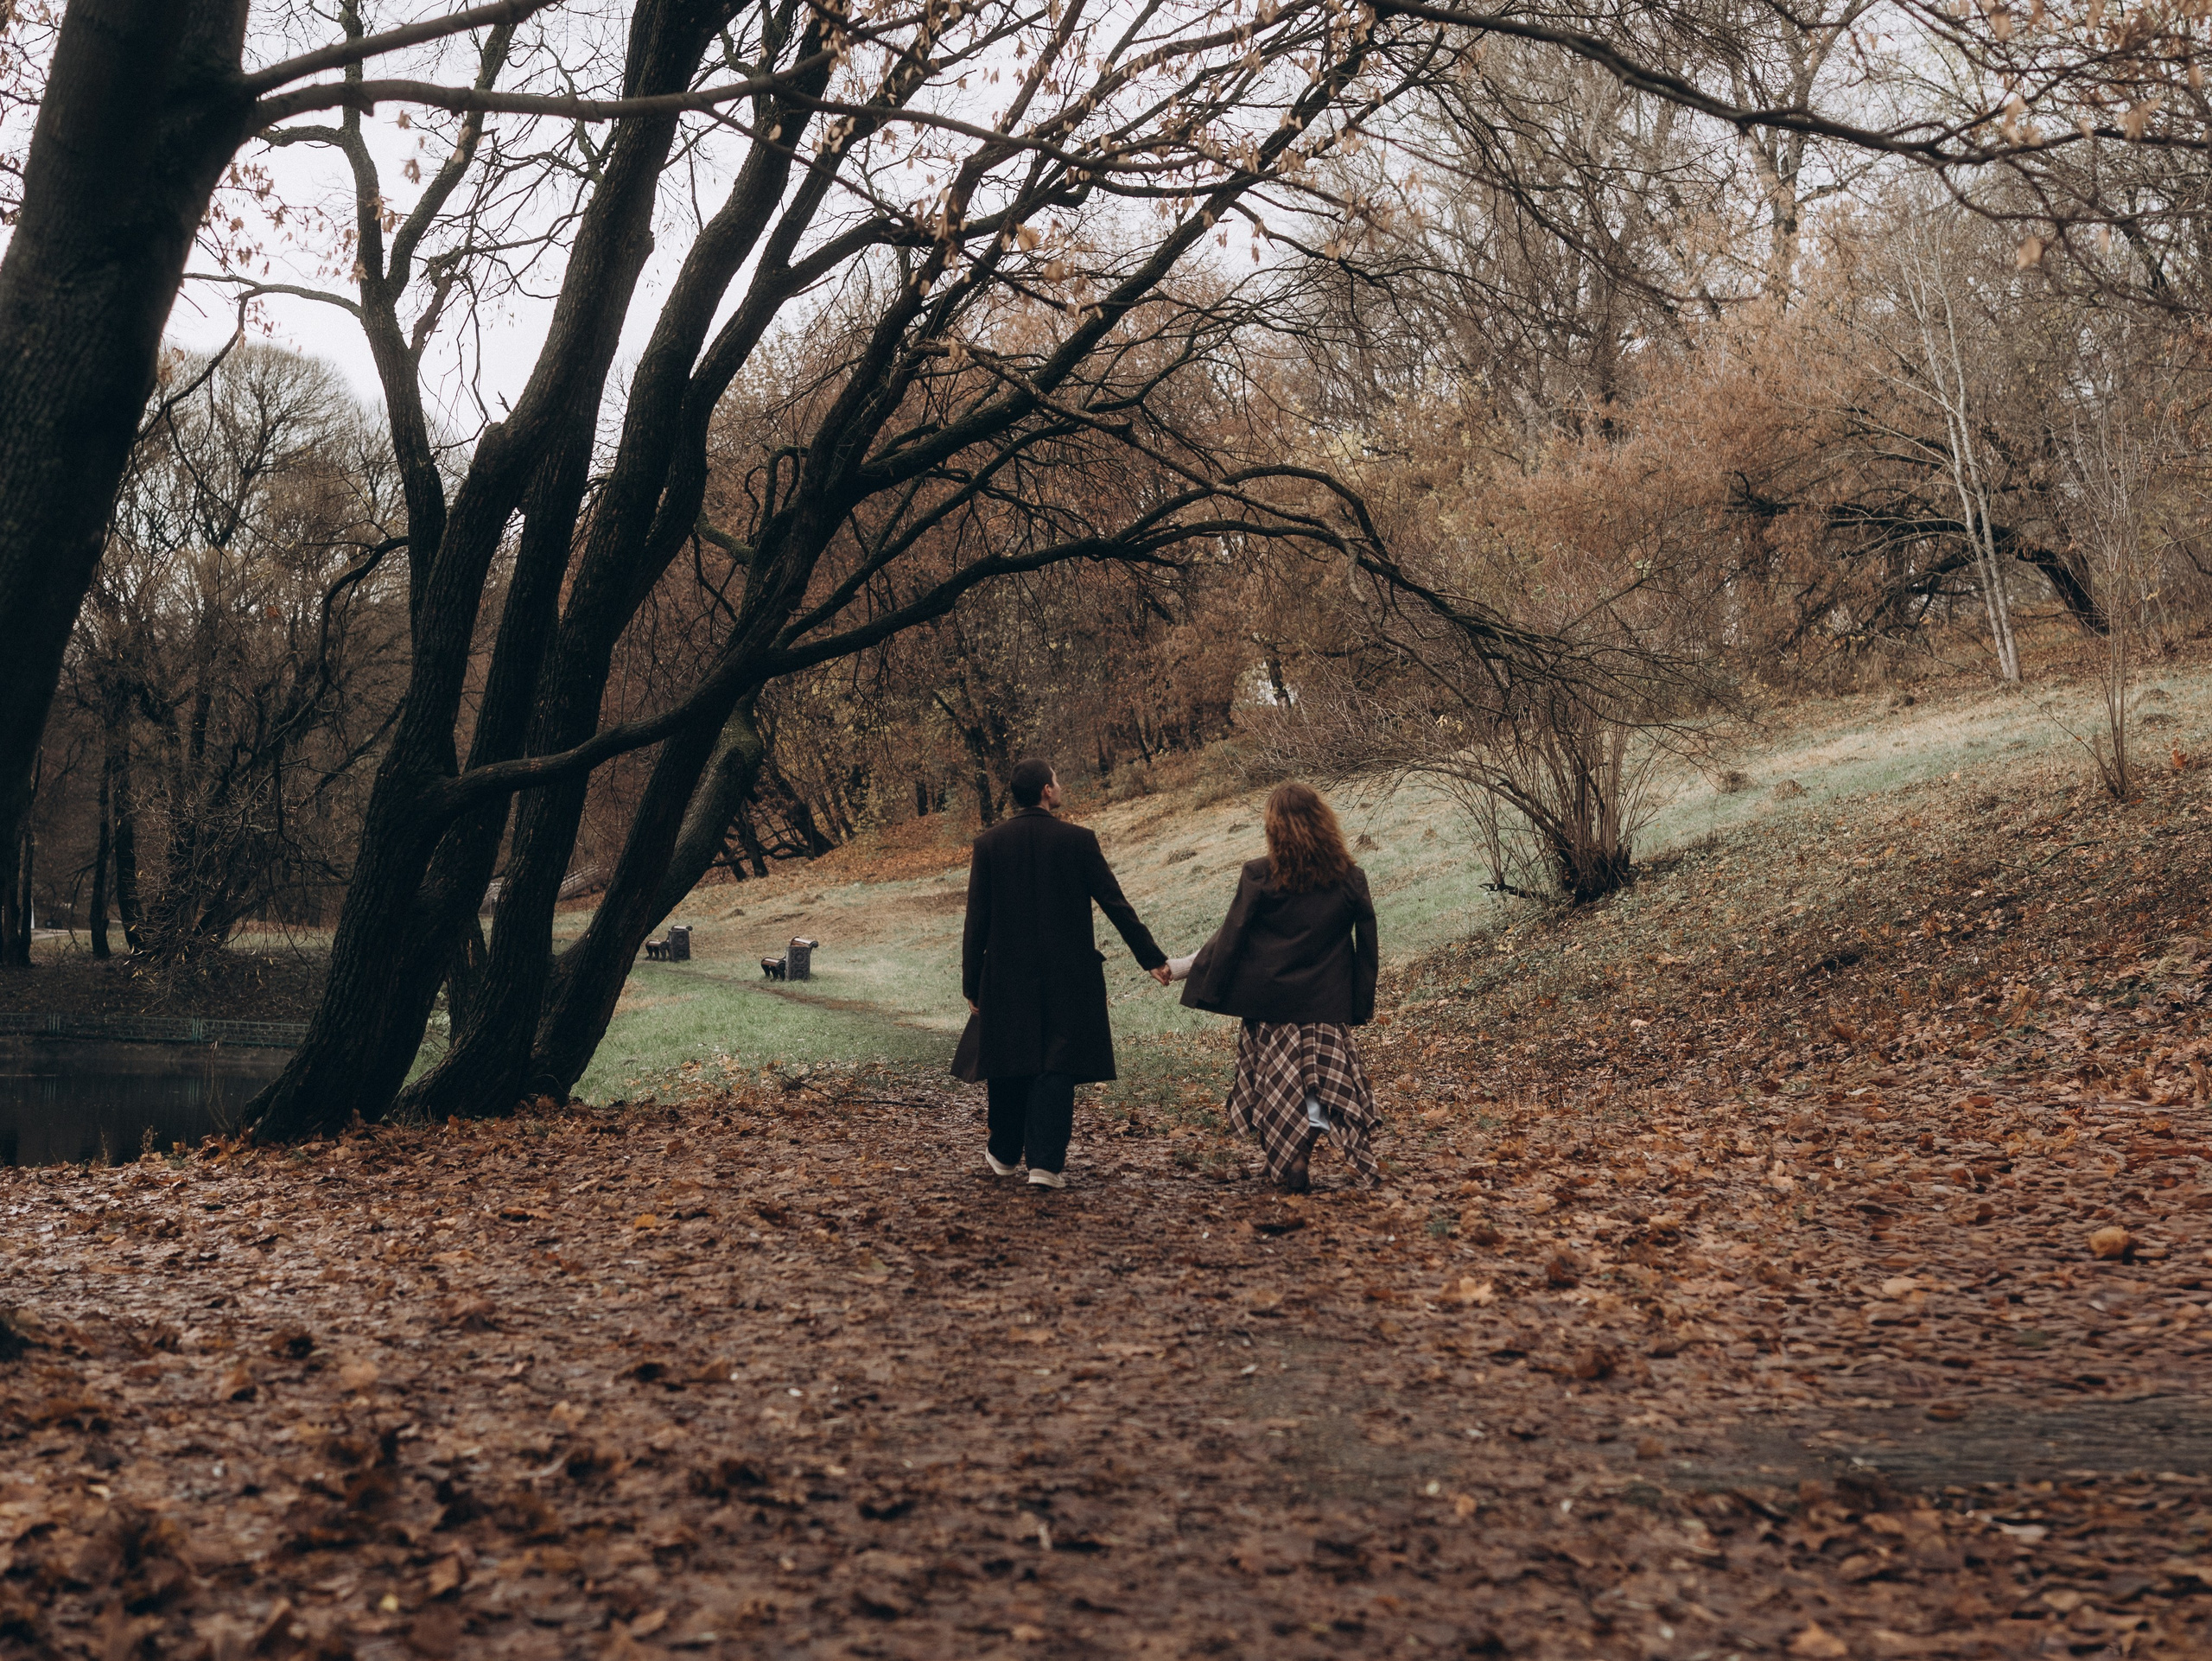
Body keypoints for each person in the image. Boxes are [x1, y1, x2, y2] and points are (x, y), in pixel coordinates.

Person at [959, 758, 1172, 1188]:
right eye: (1056, 780)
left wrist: (971, 982)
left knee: (1009, 1059)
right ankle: (1045, 1164)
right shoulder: (1078, 840)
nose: (1060, 785)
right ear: (1045, 791)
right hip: (1068, 975)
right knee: (1055, 1064)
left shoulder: (989, 844)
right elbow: (1115, 903)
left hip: (1005, 974)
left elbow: (975, 921)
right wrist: (1151, 957)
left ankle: (1003, 1152)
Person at [1179, 781, 1380, 1193]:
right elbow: (1368, 947)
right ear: (1324, 824)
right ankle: (1301, 1155)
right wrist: (1359, 1004)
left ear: (1274, 829)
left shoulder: (1259, 875)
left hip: (1271, 1010)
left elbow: (1232, 935)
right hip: (1325, 1007)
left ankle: (1288, 1160)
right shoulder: (1350, 879)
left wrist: (1206, 986)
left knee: (1278, 1087)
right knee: (1319, 1089)